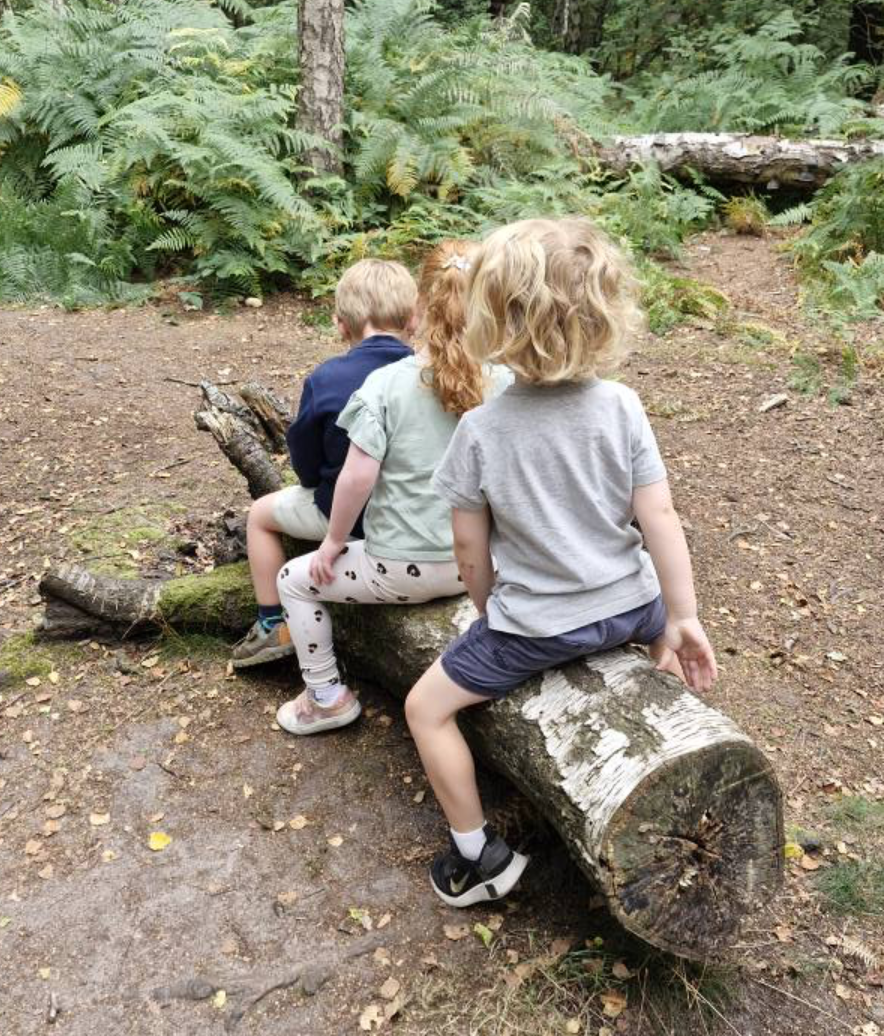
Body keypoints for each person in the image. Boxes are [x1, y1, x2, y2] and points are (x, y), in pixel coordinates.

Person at [403, 217, 718, 908]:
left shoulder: (480, 428)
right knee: (656, 628)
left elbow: (468, 549)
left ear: (493, 319)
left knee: (424, 709)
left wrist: (490, 613)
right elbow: (658, 517)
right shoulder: (622, 406)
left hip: (536, 626)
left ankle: (477, 855)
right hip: (632, 605)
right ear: (603, 312)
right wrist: (680, 617)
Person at [275, 241, 509, 736]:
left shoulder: (385, 384)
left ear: (418, 311)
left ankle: (326, 697)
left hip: (400, 569)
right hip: (484, 566)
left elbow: (357, 477)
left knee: (294, 580)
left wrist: (334, 542)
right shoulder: (505, 381)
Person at [231, 258, 417, 669]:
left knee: (260, 516)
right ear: (412, 319)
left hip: (349, 521)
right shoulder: (431, 373)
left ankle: (271, 623)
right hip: (417, 518)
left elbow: (307, 468)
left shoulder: (327, 378)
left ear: (341, 324)